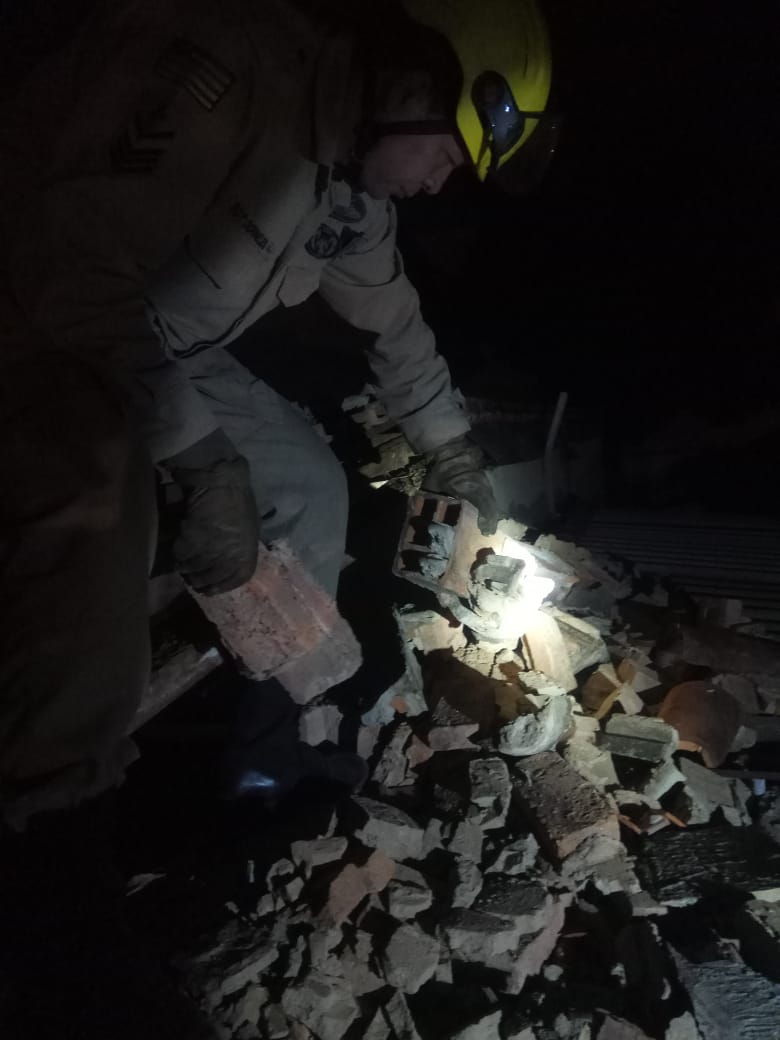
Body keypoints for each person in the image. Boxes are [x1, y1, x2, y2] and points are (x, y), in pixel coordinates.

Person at [0, 0, 554, 828]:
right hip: (39, 312)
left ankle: (263, 764)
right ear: (413, 81)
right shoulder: (223, 74)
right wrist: (198, 456)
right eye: (446, 152)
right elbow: (67, 270)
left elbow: (396, 325)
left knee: (310, 486)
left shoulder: (349, 185)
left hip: (153, 342)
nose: (442, 181)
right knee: (108, 493)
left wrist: (454, 457)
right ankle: (49, 816)